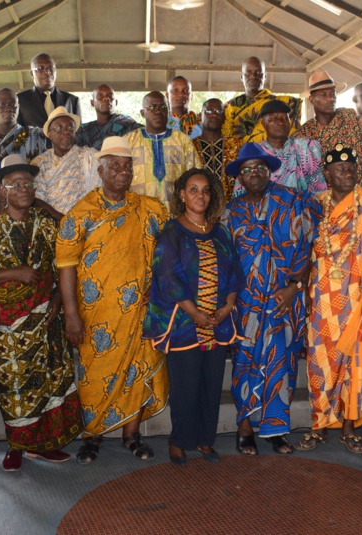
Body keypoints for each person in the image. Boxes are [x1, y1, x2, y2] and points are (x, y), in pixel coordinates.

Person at [0, 154, 83, 471]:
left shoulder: (45, 224)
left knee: (51, 382)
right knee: (17, 387)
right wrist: (15, 273)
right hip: (9, 326)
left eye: (28, 183)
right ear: (3, 190)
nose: (23, 189)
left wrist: (59, 296)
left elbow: (66, 261)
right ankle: (16, 446)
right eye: (16, 184)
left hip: (47, 320)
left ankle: (42, 445)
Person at [57, 136, 170, 464]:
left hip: (139, 313)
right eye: (115, 167)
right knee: (94, 373)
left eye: (127, 167)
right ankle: (92, 435)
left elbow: (169, 253)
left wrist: (160, 291)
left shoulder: (149, 209)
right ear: (100, 170)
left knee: (136, 372)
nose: (123, 172)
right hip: (95, 316)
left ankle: (131, 435)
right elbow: (65, 266)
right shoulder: (81, 213)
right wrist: (71, 314)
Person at [296, 144, 362, 455]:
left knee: (358, 364)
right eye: (339, 169)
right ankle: (319, 425)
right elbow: (303, 248)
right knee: (321, 365)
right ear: (327, 174)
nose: (347, 173)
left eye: (352, 169)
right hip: (324, 301)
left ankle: (349, 427)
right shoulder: (315, 206)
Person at [143, 168, 241, 466]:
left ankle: (204, 440)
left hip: (217, 322)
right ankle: (179, 441)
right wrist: (196, 313)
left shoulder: (221, 231)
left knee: (211, 385)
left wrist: (227, 306)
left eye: (205, 190)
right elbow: (168, 276)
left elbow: (235, 272)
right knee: (185, 386)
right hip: (185, 325)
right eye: (193, 189)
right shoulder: (172, 232)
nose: (200, 195)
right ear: (182, 195)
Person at [222, 143, 312, 456]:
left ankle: (275, 429)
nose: (254, 173)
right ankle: (244, 426)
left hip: (281, 299)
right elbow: (225, 260)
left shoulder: (292, 201)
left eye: (260, 167)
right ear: (240, 178)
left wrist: (295, 287)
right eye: (247, 170)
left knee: (281, 363)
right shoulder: (231, 212)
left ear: (269, 170)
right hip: (245, 303)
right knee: (243, 365)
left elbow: (309, 249)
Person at [293, 72, 362, 190]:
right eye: (324, 95)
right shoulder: (303, 135)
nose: (330, 98)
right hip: (324, 202)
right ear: (312, 99)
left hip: (361, 196)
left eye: (333, 94)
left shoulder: (349, 116)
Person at [229, 99, 323, 198]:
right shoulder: (254, 152)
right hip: (263, 211)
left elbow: (318, 187)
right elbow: (241, 193)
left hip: (303, 209)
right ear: (263, 123)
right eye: (274, 119)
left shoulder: (306, 146)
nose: (280, 122)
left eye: (285, 118)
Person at [126, 91, 203, 208]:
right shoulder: (129, 141)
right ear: (143, 113)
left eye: (163, 107)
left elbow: (195, 178)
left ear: (168, 112)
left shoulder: (182, 140)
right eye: (152, 107)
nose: (158, 111)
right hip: (138, 214)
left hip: (175, 216)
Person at [31, 107, 100, 219]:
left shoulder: (90, 157)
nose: (66, 131)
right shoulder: (39, 163)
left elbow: (99, 194)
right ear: (49, 134)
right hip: (50, 224)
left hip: (86, 222)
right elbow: (36, 199)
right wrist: (64, 221)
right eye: (59, 127)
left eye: (70, 127)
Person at [223, 56, 302, 144]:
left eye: (258, 73)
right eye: (248, 73)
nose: (253, 76)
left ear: (265, 76)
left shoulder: (284, 104)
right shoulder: (229, 107)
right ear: (241, 76)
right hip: (239, 155)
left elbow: (294, 137)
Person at [193, 98, 241, 202]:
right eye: (209, 110)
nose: (214, 115)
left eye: (219, 111)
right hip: (199, 207)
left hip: (231, 209)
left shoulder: (236, 145)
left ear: (224, 118)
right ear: (200, 115)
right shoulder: (190, 146)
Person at [17, 53, 81, 129]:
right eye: (40, 68)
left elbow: (78, 134)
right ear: (32, 74)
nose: (47, 72)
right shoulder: (20, 100)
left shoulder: (71, 100)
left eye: (50, 67)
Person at [76, 84, 142, 150]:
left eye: (110, 96)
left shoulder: (126, 123)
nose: (106, 98)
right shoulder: (83, 130)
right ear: (92, 103)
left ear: (116, 102)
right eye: (100, 96)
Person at [0, 88, 50, 162]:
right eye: (3, 104)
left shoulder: (35, 135)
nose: (8, 108)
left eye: (12, 104)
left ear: (18, 107)